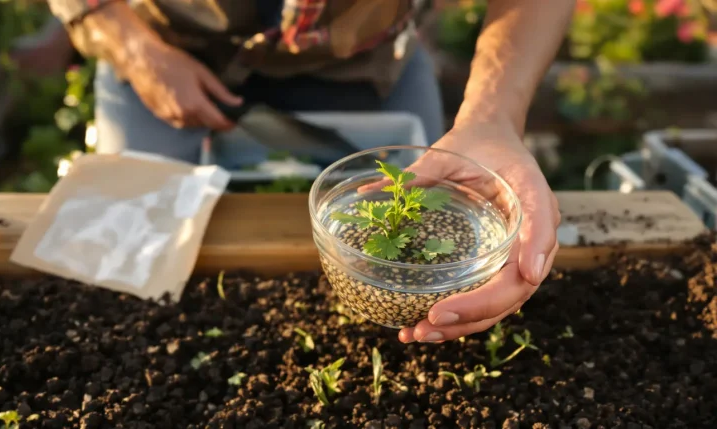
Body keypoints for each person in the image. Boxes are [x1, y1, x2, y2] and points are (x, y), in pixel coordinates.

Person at [46, 0, 573, 343]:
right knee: (117, 274)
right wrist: (132, 47)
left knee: (437, 197)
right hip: (162, 46)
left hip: (361, 57)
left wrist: (493, 118)